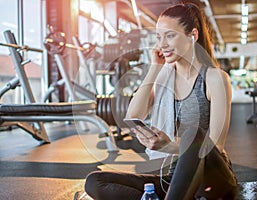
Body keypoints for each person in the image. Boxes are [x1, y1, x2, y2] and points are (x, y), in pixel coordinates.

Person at [84, 3, 237, 200]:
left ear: (193, 35)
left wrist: (169, 146)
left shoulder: (215, 78)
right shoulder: (164, 78)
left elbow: (215, 146)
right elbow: (133, 116)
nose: (162, 44)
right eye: (159, 37)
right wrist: (154, 69)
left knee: (194, 135)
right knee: (95, 181)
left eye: (170, 35)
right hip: (173, 179)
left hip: (213, 180)